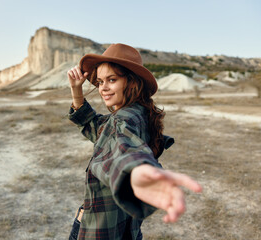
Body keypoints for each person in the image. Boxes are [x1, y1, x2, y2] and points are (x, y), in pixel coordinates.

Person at [67, 43, 202, 240]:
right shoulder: (139, 112)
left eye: (111, 80)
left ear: (131, 82)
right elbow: (96, 128)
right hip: (125, 231)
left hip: (98, 231)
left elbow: (125, 146)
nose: (103, 88)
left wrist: (136, 169)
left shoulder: (125, 118)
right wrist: (75, 90)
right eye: (99, 81)